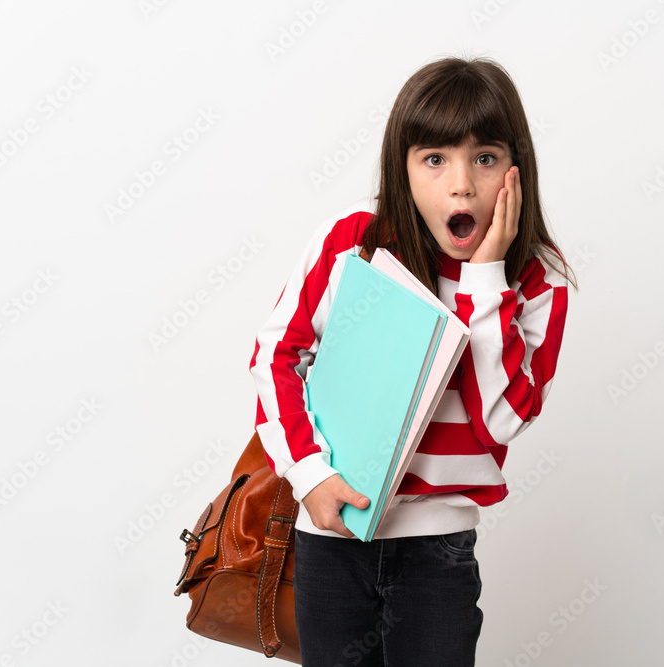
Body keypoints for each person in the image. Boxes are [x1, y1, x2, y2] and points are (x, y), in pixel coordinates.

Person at [249, 55, 577, 666]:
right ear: (401, 169)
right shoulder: (353, 242)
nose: (462, 185)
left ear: (516, 167)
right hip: (331, 535)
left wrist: (485, 278)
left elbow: (501, 420)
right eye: (435, 159)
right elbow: (275, 357)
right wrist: (310, 476)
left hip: (439, 552)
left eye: (485, 158)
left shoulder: (537, 277)